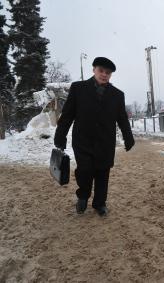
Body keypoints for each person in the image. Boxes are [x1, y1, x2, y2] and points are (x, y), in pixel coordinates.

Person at [54, 57, 135, 216]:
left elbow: (122, 119)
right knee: (85, 170)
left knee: (103, 173)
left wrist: (128, 137)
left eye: (108, 73)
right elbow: (67, 115)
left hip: (105, 142)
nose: (104, 75)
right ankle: (83, 195)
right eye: (101, 71)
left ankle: (99, 203)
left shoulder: (117, 95)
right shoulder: (78, 88)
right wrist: (60, 136)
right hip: (82, 141)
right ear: (94, 70)